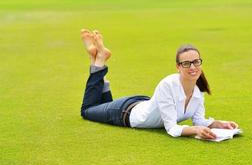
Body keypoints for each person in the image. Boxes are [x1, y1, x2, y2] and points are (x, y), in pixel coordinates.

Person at [80, 28, 239, 140]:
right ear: (178, 67)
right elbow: (171, 129)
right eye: (186, 63)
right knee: (87, 111)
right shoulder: (168, 84)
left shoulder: (199, 90)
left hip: (141, 103)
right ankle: (99, 59)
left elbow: (200, 121)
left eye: (196, 62)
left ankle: (96, 58)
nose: (192, 67)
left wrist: (219, 124)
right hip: (124, 113)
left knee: (99, 106)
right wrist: (196, 130)